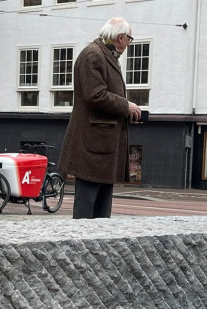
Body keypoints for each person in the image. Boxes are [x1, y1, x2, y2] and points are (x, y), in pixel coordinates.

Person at [58, 17, 142, 219]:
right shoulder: (94, 55)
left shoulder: (104, 54)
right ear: (121, 37)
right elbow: (95, 95)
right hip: (93, 146)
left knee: (101, 210)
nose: (129, 44)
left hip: (101, 146)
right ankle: (82, 239)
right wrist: (126, 106)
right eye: (129, 39)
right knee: (87, 209)